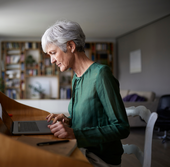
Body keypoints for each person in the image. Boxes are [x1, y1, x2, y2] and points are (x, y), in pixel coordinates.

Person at [41, 20, 130, 167]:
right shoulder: (77, 77)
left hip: (100, 158)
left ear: (71, 46)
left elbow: (122, 127)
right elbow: (92, 117)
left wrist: (75, 134)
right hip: (82, 148)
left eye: (53, 53)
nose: (52, 60)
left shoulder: (101, 75)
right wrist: (68, 120)